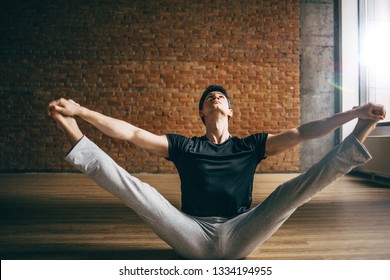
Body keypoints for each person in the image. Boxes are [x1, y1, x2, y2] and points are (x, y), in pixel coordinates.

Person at [48, 85, 386, 259]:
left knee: (289, 193)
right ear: (202, 112)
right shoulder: (184, 147)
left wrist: (354, 113)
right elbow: (133, 134)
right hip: (190, 233)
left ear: (230, 110)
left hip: (242, 231)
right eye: (210, 97)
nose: (215, 96)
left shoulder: (250, 146)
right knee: (143, 193)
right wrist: (81, 112)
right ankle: (73, 134)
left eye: (221, 96)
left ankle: (362, 130)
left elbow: (302, 132)